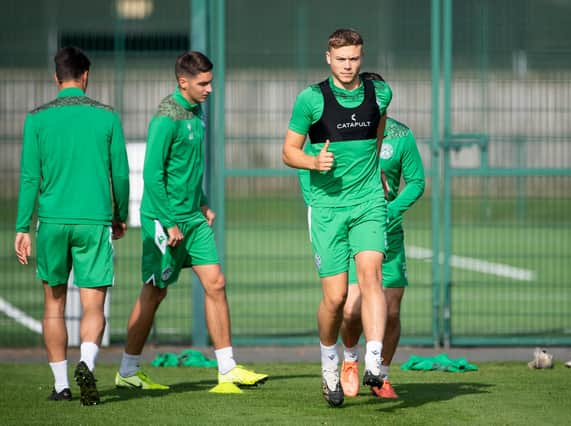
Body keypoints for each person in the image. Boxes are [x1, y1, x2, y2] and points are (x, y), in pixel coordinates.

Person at [115, 51, 268, 395]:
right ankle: (127, 369)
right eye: (203, 83)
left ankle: (227, 368)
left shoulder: (197, 112)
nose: (210, 89)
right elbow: (152, 175)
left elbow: (190, 165)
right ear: (183, 82)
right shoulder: (165, 119)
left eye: (211, 81)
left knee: (216, 283)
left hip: (193, 220)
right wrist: (169, 222)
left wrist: (201, 202)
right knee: (155, 293)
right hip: (164, 222)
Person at [14, 46, 130, 406]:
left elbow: (30, 177)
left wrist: (22, 227)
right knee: (94, 306)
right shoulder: (107, 116)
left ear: (56, 77)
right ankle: (87, 363)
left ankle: (62, 384)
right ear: (85, 75)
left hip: (51, 222)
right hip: (94, 221)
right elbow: (121, 174)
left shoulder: (37, 119)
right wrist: (119, 214)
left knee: (54, 304)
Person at [282, 29, 392, 407]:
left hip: (368, 203)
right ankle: (329, 362)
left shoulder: (380, 93)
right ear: (328, 58)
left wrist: (374, 171)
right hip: (327, 208)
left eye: (354, 59)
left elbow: (377, 133)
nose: (348, 66)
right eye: (341, 59)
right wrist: (314, 161)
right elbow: (288, 152)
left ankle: (374, 362)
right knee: (337, 298)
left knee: (372, 276)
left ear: (362, 57)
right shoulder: (311, 100)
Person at [338, 72, 425, 399]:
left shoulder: (401, 135)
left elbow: (416, 182)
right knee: (349, 310)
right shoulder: (344, 131)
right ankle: (349, 359)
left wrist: (391, 210)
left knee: (390, 311)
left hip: (388, 234)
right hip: (352, 230)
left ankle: (381, 374)